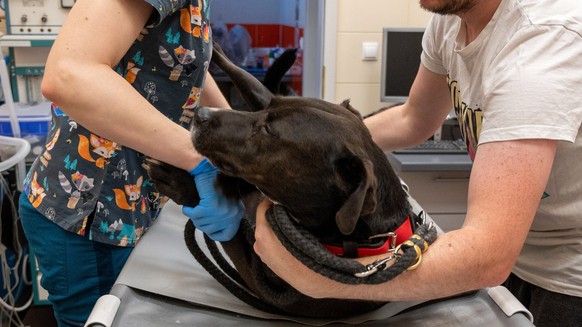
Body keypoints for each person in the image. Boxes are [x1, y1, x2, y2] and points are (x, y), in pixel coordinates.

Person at [252, 0, 582, 326]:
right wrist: (313, 152)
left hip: (568, 276)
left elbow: (488, 254)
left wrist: (325, 279)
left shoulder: (538, 47)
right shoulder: (451, 19)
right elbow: (414, 119)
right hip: (517, 256)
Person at [18, 0, 243, 326]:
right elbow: (68, 76)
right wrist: (200, 161)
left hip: (126, 207)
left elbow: (188, 66)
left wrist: (237, 139)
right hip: (87, 218)